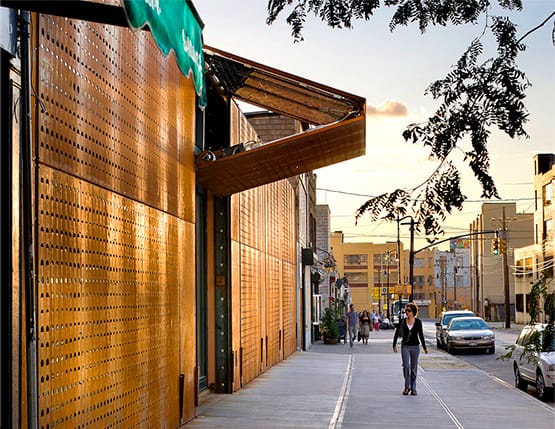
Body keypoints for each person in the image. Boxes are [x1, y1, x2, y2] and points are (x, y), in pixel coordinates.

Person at [392, 302, 428, 396]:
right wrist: (394, 345)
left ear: (413, 312)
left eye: (408, 311)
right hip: (405, 346)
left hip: (415, 347)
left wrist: (424, 347)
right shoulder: (403, 321)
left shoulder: (418, 322)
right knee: (406, 366)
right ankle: (406, 387)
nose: (406, 312)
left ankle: (413, 388)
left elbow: (421, 335)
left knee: (413, 368)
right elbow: (396, 333)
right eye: (406, 311)